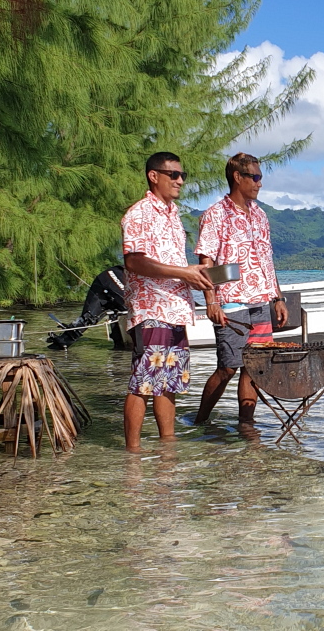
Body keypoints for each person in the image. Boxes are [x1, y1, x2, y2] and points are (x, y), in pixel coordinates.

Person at [121, 151, 214, 448]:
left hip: (175, 308)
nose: (180, 181)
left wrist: (195, 274)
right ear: (154, 176)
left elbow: (174, 263)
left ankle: (167, 447)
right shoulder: (139, 213)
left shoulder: (173, 214)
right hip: (151, 306)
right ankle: (132, 454)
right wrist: (181, 272)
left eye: (183, 175)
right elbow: (134, 262)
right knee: (144, 382)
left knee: (168, 383)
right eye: (174, 174)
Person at [194, 152, 288, 424]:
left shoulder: (261, 216)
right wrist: (210, 301)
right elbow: (206, 261)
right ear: (238, 177)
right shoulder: (215, 214)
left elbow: (267, 261)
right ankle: (200, 420)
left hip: (261, 302)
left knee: (255, 368)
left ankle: (247, 426)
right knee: (228, 368)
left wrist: (278, 298)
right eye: (255, 177)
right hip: (231, 303)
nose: (260, 183)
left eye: (260, 178)